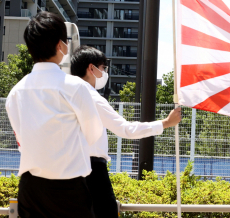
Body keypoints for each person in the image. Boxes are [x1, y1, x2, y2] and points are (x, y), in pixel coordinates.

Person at [6, 12, 104, 218]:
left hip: (30, 189)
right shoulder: (76, 86)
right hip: (69, 190)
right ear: (60, 46)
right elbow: (94, 133)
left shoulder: (15, 92)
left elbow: (21, 138)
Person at [70, 46, 182, 218]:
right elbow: (126, 129)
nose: (104, 73)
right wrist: (166, 123)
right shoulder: (92, 97)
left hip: (69, 170)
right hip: (93, 170)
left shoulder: (67, 95)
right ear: (91, 68)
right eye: (103, 68)